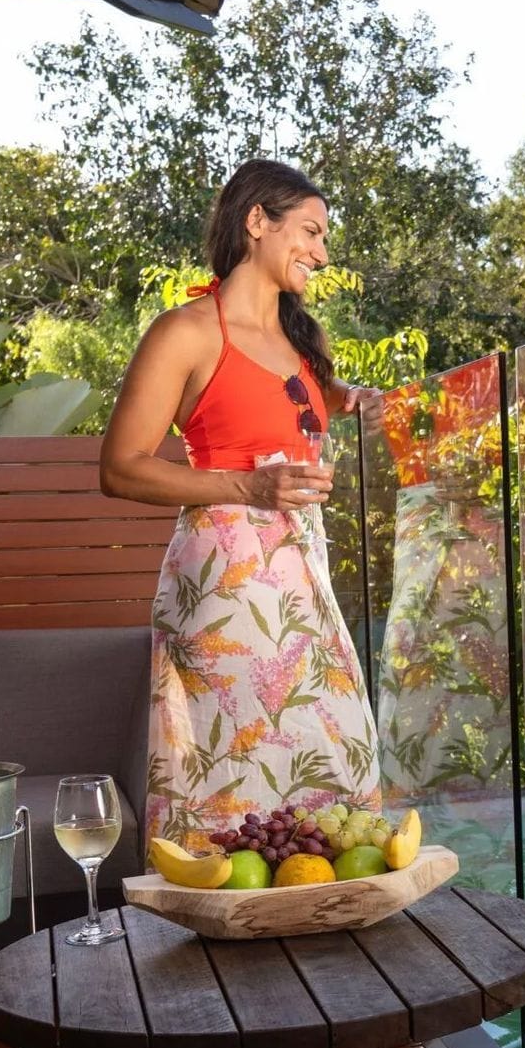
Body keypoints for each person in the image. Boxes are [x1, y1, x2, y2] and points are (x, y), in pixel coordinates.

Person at [99, 159, 384, 852]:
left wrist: (351, 398)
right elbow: (119, 467)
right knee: (231, 772)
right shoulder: (186, 332)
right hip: (224, 585)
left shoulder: (301, 341)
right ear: (257, 221)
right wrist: (249, 487)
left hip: (303, 582)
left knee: (332, 757)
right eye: (310, 231)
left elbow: (292, 402)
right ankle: (219, 911)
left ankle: (319, 908)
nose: (321, 253)